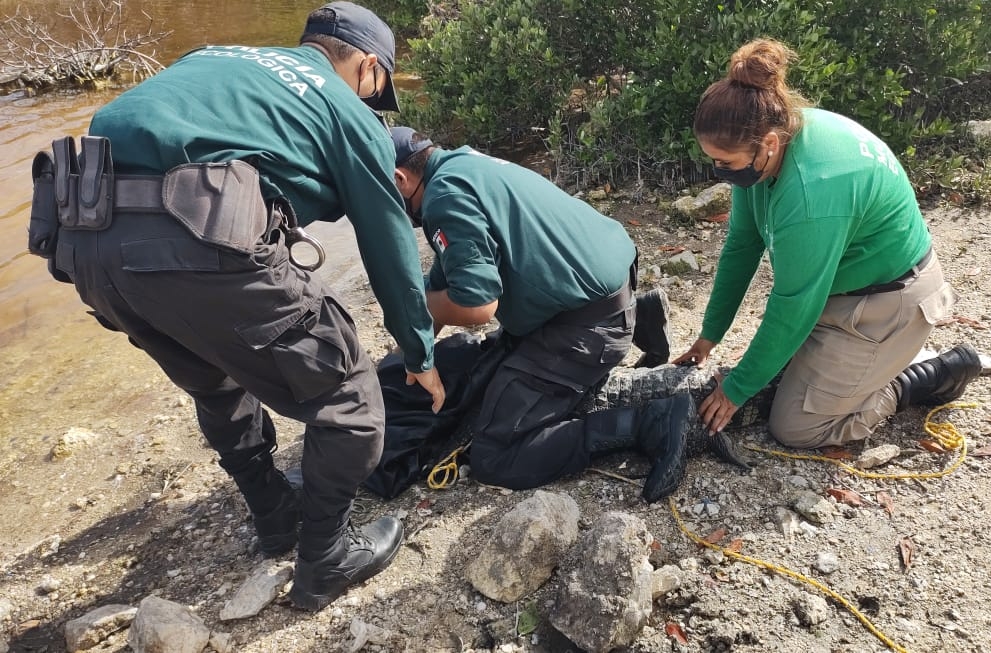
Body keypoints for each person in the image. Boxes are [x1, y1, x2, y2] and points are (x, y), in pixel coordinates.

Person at [43, 2, 444, 611]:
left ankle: (277, 516)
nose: (372, 104)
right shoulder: (345, 110)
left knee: (215, 374)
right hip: (186, 236)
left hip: (83, 242)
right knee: (351, 397)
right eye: (377, 89)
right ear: (367, 68)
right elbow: (386, 236)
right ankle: (326, 559)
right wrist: (418, 350)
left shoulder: (214, 56)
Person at [673, 38, 982, 449]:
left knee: (796, 427)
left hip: (890, 302)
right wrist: (709, 336)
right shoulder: (771, 141)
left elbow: (793, 304)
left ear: (767, 144)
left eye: (725, 163)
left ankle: (924, 375)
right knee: (777, 375)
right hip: (840, 288)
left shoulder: (811, 194)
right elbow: (741, 246)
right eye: (713, 160)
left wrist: (735, 390)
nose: (719, 172)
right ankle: (871, 364)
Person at [386, 126, 693, 502]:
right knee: (496, 366)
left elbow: (478, 306)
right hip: (613, 274)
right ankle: (638, 315)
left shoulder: (443, 198)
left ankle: (649, 422)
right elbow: (444, 279)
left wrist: (413, 304)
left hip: (587, 322)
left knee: (496, 457)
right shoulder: (462, 164)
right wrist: (413, 351)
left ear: (400, 178)